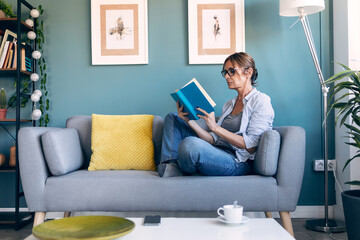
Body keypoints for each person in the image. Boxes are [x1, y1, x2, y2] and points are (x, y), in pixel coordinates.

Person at [157, 52, 274, 177]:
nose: (227, 77)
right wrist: (188, 121)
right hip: (215, 150)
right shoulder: (229, 104)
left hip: (237, 161)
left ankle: (180, 166)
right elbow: (212, 140)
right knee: (173, 117)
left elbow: (251, 146)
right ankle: (170, 166)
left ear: (248, 72)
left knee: (190, 144)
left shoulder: (261, 100)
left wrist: (215, 127)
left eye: (231, 71)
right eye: (225, 72)